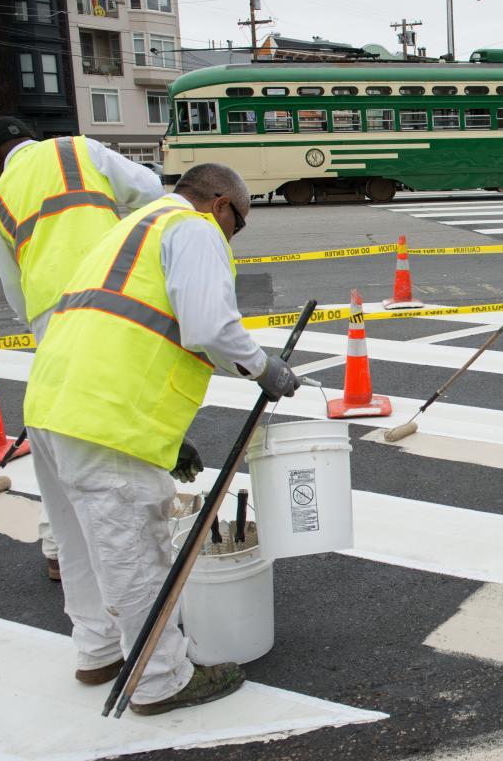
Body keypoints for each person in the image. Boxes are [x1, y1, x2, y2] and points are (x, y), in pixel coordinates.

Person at [21, 163, 301, 715]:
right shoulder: (195, 228)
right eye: (238, 224)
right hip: (107, 416)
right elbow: (209, 327)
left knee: (79, 542)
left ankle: (98, 651)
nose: (232, 237)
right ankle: (160, 679)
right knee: (133, 547)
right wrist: (264, 368)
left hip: (53, 403)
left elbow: (125, 326)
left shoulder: (132, 226)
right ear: (221, 203)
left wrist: (167, 441)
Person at [0, 116, 165, 582]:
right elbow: (152, 190)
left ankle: (58, 545)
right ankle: (138, 540)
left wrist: (38, 319)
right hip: (112, 301)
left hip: (50, 319)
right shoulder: (78, 150)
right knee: (116, 417)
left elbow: (12, 285)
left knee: (57, 426)